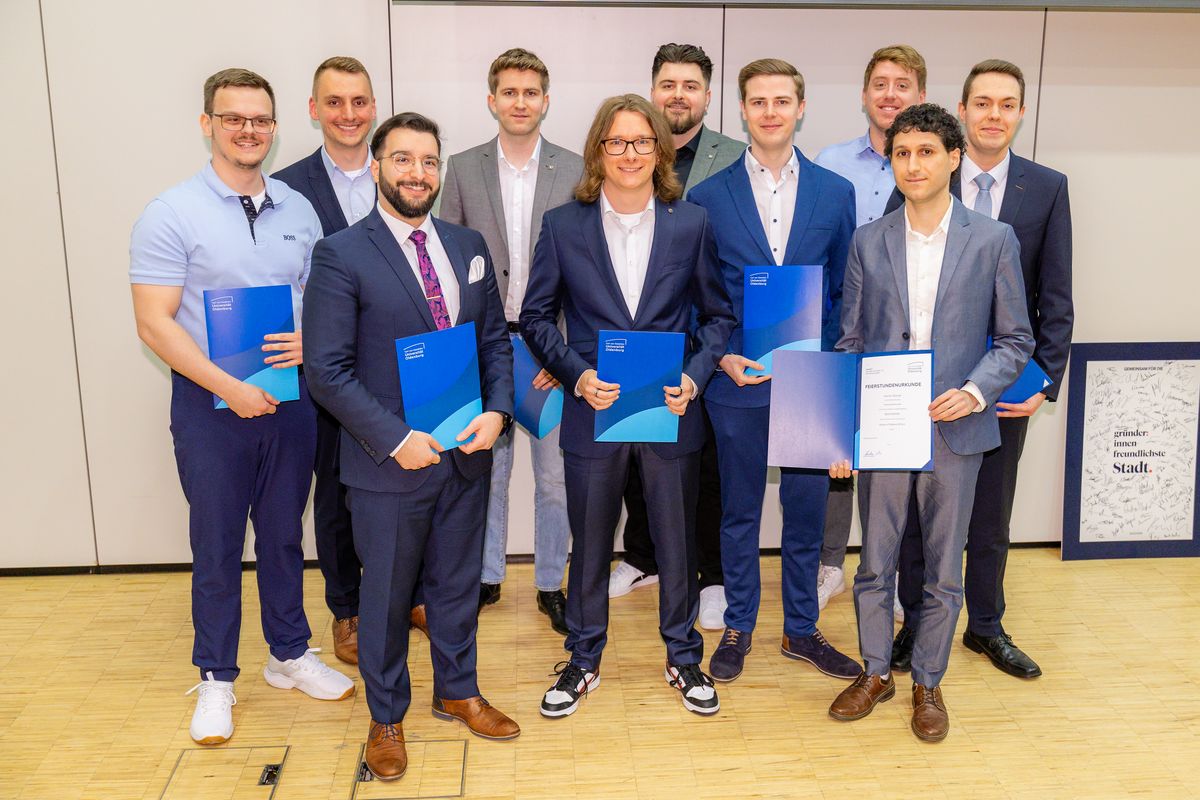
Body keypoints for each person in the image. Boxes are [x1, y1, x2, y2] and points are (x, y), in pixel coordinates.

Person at [130, 68, 353, 747]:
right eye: (234, 118)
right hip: (210, 405)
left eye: (259, 119)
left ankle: (288, 654)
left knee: (284, 533)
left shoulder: (299, 210)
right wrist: (227, 387)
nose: (248, 130)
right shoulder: (171, 212)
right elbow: (154, 323)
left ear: (275, 127)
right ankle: (216, 677)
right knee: (218, 541)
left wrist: (311, 341)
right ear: (208, 124)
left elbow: (322, 301)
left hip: (290, 400)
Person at [303, 112, 519, 781]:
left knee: (456, 587)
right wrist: (395, 439)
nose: (417, 173)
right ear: (377, 167)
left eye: (428, 161)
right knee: (389, 598)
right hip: (389, 464)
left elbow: (494, 342)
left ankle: (457, 691)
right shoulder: (341, 253)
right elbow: (326, 370)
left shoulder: (466, 244)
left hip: (466, 452)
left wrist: (499, 412)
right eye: (402, 159)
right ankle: (386, 716)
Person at [520, 94, 734, 718]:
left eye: (642, 142)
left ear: (659, 152)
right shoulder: (564, 226)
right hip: (594, 408)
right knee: (590, 544)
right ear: (599, 152)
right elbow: (535, 316)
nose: (630, 153)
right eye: (617, 142)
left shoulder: (690, 223)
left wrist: (694, 378)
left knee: (676, 544)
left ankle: (684, 657)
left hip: (671, 409)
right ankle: (583, 658)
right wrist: (576, 375)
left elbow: (718, 317)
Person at [828, 103, 1033, 742]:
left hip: (955, 428)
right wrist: (842, 430)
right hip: (885, 428)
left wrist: (974, 392)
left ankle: (928, 682)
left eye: (926, 152)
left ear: (953, 158)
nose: (913, 165)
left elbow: (1016, 340)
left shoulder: (993, 239)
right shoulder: (868, 240)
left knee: (945, 569)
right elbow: (850, 342)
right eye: (901, 153)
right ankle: (875, 672)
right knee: (874, 564)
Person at [887, 60, 1073, 679]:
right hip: (926, 387)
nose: (994, 115)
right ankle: (916, 623)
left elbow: (1056, 294)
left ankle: (986, 626)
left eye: (1007, 104)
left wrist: (1045, 382)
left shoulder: (1046, 188)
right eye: (983, 103)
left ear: (1021, 113)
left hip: (1006, 383)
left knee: (991, 514)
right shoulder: (923, 171)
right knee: (918, 517)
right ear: (962, 111)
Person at [687, 59, 859, 685]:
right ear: (742, 110)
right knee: (738, 511)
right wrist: (721, 355)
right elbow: (699, 296)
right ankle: (738, 625)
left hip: (811, 382)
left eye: (781, 100)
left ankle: (801, 628)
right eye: (758, 101)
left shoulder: (835, 193)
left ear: (800, 108)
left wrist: (834, 373)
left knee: (806, 511)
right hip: (738, 379)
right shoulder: (708, 197)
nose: (770, 112)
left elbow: (845, 293)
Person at [439, 48, 582, 635]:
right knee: (488, 471)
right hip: (488, 344)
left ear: (545, 101)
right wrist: (463, 352)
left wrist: (566, 354)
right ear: (491, 100)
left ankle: (551, 583)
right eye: (509, 92)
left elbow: (586, 267)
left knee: (554, 479)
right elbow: (447, 261)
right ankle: (485, 576)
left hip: (551, 346)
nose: (520, 102)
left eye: (530, 92)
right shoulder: (462, 168)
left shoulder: (576, 169)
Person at [608, 42, 746, 632]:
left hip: (709, 339)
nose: (678, 95)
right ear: (653, 90)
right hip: (643, 337)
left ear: (708, 96)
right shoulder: (627, 154)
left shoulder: (734, 158)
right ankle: (643, 558)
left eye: (690, 85)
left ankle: (711, 576)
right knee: (637, 456)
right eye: (668, 84)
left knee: (705, 465)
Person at [813, 44, 927, 612]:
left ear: (920, 95)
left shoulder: (932, 163)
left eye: (902, 84)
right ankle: (830, 564)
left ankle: (893, 573)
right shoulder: (830, 163)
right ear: (863, 95)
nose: (889, 95)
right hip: (841, 326)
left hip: (906, 337)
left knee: (895, 457)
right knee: (837, 450)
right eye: (879, 84)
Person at [272, 55, 377, 665]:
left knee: (406, 482)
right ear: (314, 110)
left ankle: (407, 595)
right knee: (336, 493)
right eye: (334, 102)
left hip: (395, 363)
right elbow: (277, 280)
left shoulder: (400, 172)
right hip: (327, 371)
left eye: (358, 102)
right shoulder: (284, 190)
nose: (348, 114)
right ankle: (348, 608)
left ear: (373, 108)